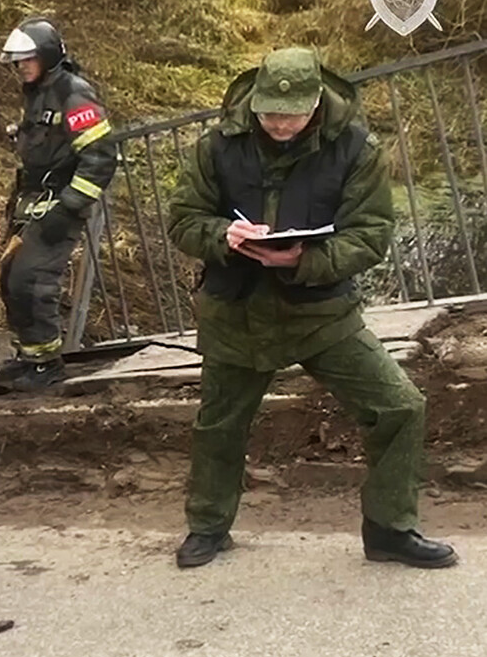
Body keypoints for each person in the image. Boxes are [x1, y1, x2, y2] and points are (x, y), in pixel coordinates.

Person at [166, 47, 457, 570]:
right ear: (253, 102)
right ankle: (208, 527)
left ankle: (390, 529)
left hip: (321, 311)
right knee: (220, 425)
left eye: (292, 113)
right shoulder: (217, 145)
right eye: (269, 113)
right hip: (235, 310)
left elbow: (371, 235)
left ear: (317, 102)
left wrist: (306, 258)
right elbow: (184, 218)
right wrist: (221, 235)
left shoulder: (357, 149)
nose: (279, 123)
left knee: (401, 406)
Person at [0, 16, 117, 391]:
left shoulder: (73, 92)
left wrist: (69, 208)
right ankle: (29, 355)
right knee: (13, 278)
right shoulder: (38, 91)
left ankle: (47, 365)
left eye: (27, 59)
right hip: (31, 201)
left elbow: (100, 156)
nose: (21, 66)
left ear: (46, 55)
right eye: (17, 61)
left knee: (33, 281)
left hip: (59, 204)